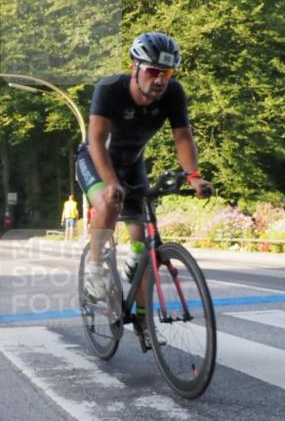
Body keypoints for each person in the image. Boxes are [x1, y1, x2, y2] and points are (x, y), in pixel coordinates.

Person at [76, 32, 213, 350]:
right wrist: (110, 183)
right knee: (108, 203)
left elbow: (183, 137)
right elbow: (96, 140)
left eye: (166, 73)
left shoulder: (173, 94)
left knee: (144, 245)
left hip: (133, 165)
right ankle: (95, 269)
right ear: (133, 67)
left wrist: (193, 176)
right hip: (96, 160)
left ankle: (142, 319)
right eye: (153, 71)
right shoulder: (110, 89)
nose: (160, 79)